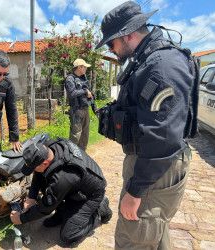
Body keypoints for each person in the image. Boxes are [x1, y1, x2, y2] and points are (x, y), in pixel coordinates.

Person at [95, 1, 199, 249]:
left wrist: (135, 191)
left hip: (152, 168)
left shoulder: (159, 65)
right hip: (152, 166)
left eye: (111, 43)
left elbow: (162, 138)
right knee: (152, 232)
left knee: (134, 239)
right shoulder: (149, 59)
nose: (110, 49)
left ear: (128, 34)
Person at [10, 138, 112, 245]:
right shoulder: (48, 149)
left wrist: (21, 219)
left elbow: (47, 206)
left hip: (90, 195)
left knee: (68, 235)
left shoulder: (63, 177)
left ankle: (99, 209)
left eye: (34, 168)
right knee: (44, 176)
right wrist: (32, 197)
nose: (33, 171)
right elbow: (38, 174)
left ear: (45, 163)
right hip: (75, 186)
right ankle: (62, 211)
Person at [65, 58, 99, 151]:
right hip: (76, 111)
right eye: (85, 67)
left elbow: (90, 94)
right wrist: (84, 91)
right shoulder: (70, 79)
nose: (86, 69)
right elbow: (71, 94)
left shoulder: (84, 79)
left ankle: (82, 158)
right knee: (75, 136)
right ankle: (70, 158)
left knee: (84, 137)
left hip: (85, 110)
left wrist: (95, 108)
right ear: (79, 67)